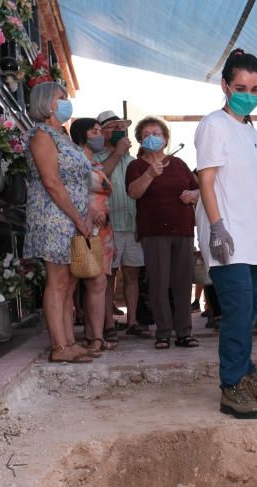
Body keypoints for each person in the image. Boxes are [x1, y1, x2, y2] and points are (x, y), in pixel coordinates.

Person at [195, 48, 257, 419]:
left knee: (247, 312)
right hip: (228, 238)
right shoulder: (214, 124)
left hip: (254, 240)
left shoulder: (253, 133)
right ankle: (231, 386)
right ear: (225, 86)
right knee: (235, 313)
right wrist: (216, 227)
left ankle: (245, 373)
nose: (249, 92)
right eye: (241, 86)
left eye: (255, 87)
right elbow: (207, 179)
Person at [23, 82, 95, 364]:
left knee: (70, 283)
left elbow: (82, 182)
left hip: (74, 218)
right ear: (45, 103)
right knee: (57, 281)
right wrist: (78, 218)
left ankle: (70, 342)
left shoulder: (62, 136)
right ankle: (59, 346)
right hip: (54, 217)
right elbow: (51, 182)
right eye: (61, 98)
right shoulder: (42, 135)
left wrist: (86, 215)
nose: (66, 102)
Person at [126, 117, 201, 350]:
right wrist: (149, 174)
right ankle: (163, 332)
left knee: (182, 282)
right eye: (146, 134)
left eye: (156, 133)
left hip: (183, 229)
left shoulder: (179, 164)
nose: (152, 137)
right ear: (140, 139)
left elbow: (199, 188)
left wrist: (192, 195)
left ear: (166, 138)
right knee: (158, 282)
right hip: (154, 231)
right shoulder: (136, 166)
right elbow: (133, 193)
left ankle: (184, 332)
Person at [95, 109, 150, 340]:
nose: (120, 130)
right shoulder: (97, 158)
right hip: (108, 226)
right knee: (108, 275)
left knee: (132, 274)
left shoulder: (133, 162)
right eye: (114, 127)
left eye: (122, 127)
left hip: (132, 225)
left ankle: (133, 322)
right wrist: (117, 153)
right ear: (102, 132)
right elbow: (99, 179)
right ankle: (108, 324)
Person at [69, 117, 116, 352]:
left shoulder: (95, 163)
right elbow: (70, 192)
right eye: (95, 131)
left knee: (98, 284)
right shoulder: (74, 160)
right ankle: (94, 338)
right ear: (82, 134)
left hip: (103, 229)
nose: (100, 136)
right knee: (93, 280)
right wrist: (89, 212)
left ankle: (93, 336)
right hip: (84, 226)